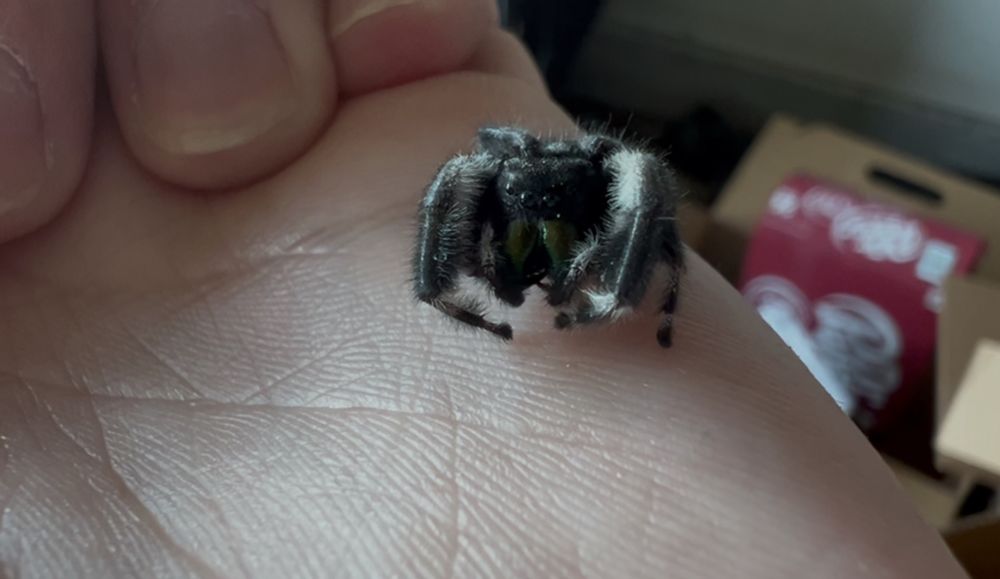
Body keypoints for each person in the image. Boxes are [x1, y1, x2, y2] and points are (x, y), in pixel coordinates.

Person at [0, 1, 966, 577]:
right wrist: (455, 296)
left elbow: (643, 199)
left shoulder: (609, 185)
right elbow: (472, 187)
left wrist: (639, 301)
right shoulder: (485, 180)